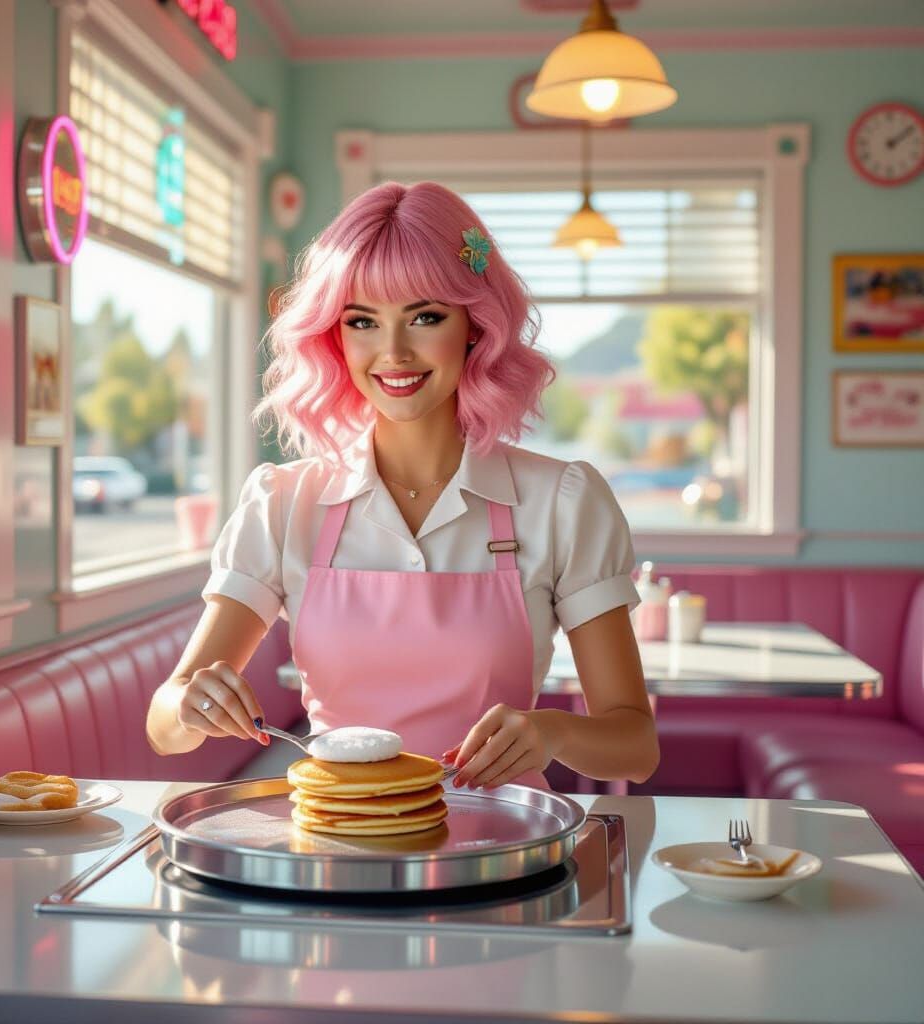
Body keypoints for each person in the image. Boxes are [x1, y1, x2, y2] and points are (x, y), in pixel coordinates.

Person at [146, 181, 658, 791]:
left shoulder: (564, 502)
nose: (392, 352)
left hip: (502, 857)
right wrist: (188, 704)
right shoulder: (283, 503)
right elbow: (163, 726)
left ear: (475, 325)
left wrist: (552, 733)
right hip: (337, 848)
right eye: (362, 321)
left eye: (425, 316)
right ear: (335, 336)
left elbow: (634, 746)